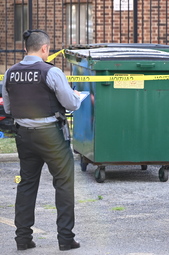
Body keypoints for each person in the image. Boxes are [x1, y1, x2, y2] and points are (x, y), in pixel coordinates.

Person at [2, 29, 81, 251]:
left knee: (26, 185)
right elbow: (71, 104)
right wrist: (77, 98)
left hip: (24, 135)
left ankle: (23, 239)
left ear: (25, 48)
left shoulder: (10, 73)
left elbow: (8, 108)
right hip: (51, 135)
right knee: (64, 184)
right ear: (45, 48)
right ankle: (65, 239)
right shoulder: (51, 72)